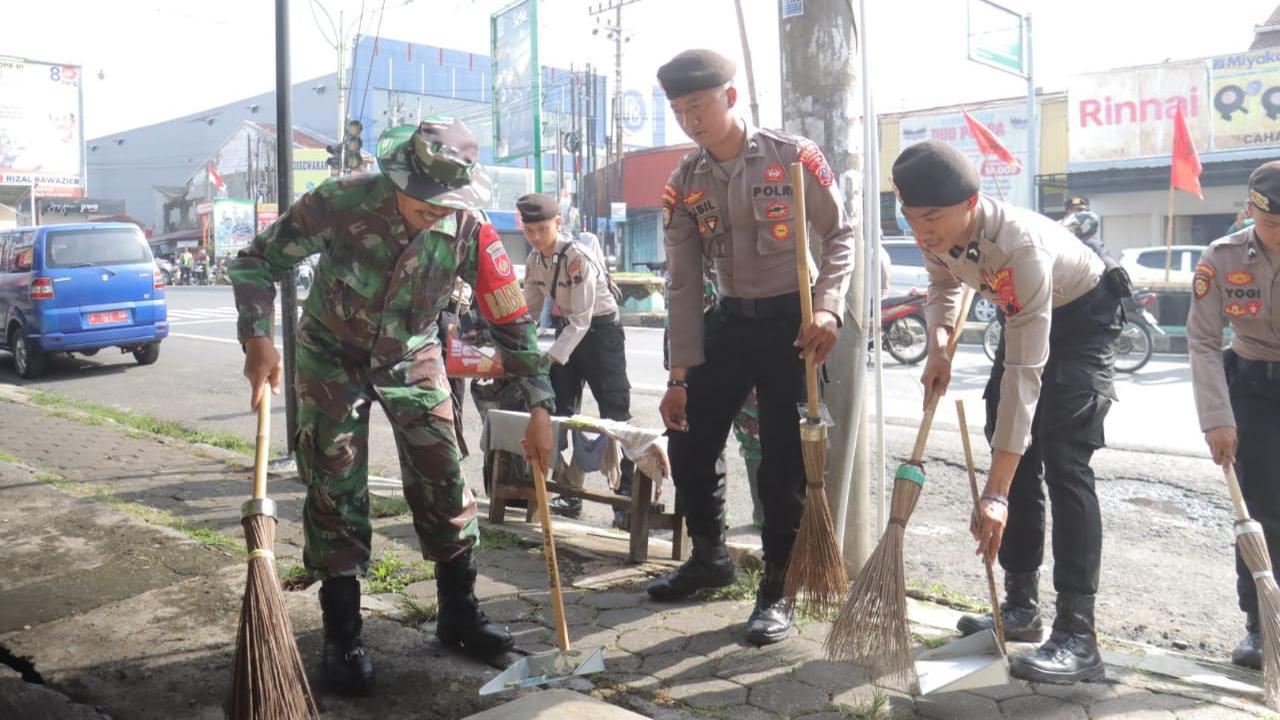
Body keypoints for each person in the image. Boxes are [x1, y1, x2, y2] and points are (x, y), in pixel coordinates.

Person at [229, 117, 554, 697]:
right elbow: (257, 261)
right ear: (398, 177)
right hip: (332, 353)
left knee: (445, 472)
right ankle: (343, 635)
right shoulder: (340, 200)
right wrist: (257, 337)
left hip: (413, 352)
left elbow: (510, 316)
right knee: (334, 481)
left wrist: (538, 403)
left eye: (444, 205)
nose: (434, 213)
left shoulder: (469, 229)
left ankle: (458, 611)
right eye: (423, 203)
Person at [897, 140, 1126, 684]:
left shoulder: (1020, 246)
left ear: (971, 204)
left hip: (1082, 319)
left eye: (931, 218)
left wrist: (993, 493)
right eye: (910, 218)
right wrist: (937, 344)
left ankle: (1078, 633)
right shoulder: (936, 233)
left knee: (1064, 458)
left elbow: (1027, 371)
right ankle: (1020, 605)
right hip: (1020, 314)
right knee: (1007, 437)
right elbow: (942, 283)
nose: (923, 232)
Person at [649, 48, 855, 646]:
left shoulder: (792, 157)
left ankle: (777, 587)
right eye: (679, 109)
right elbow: (683, 282)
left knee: (783, 465)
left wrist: (829, 306)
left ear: (730, 98)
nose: (690, 119)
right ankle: (709, 557)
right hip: (731, 322)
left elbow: (839, 233)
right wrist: (679, 375)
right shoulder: (684, 182)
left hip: (795, 323)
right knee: (687, 441)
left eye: (699, 105)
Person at [1187, 160, 1280, 670]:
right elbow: (1202, 341)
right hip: (1253, 387)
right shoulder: (1221, 259)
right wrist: (1216, 418)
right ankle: (1261, 626)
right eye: (1272, 225)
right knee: (1260, 514)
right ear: (1250, 212)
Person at [519, 193, 633, 526]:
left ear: (557, 224)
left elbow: (583, 319)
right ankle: (569, 493)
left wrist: (549, 358)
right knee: (560, 413)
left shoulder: (576, 258)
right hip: (569, 332)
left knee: (616, 416)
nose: (537, 237)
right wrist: (514, 341)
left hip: (600, 334)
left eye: (543, 229)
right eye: (530, 231)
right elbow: (529, 309)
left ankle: (626, 499)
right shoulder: (534, 260)